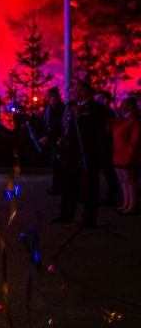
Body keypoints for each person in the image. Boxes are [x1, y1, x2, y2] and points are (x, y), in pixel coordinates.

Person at [53, 80, 110, 228]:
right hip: (70, 152)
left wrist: (81, 118)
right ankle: (66, 215)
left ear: (84, 91)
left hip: (86, 154)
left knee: (88, 187)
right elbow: (68, 126)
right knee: (68, 184)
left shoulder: (97, 109)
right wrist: (62, 138)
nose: (72, 92)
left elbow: (97, 131)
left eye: (76, 89)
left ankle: (88, 220)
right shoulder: (71, 107)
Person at [112, 97, 141, 215]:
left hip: (127, 155)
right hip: (118, 153)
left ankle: (132, 205)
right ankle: (126, 203)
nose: (121, 106)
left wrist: (130, 155)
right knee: (123, 180)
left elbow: (135, 141)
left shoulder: (135, 121)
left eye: (123, 104)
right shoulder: (122, 120)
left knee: (130, 180)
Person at [95, 90, 120, 206]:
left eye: (100, 98)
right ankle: (111, 194)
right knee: (107, 170)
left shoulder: (108, 112)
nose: (98, 101)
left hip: (107, 144)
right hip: (103, 143)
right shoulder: (104, 111)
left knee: (109, 170)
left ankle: (112, 195)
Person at [39, 87, 65, 195]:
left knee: (58, 165)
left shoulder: (59, 109)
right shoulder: (49, 109)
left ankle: (58, 187)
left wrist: (49, 137)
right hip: (52, 139)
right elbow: (45, 123)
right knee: (56, 165)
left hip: (57, 140)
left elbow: (58, 125)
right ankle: (57, 186)